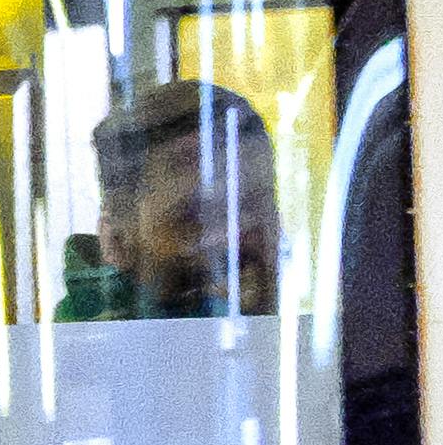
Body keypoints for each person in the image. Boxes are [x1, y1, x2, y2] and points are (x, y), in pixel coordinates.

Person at [57, 79, 285, 321]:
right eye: (193, 218)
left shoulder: (291, 336)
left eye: (253, 209)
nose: (231, 237)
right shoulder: (82, 343)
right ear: (116, 240)